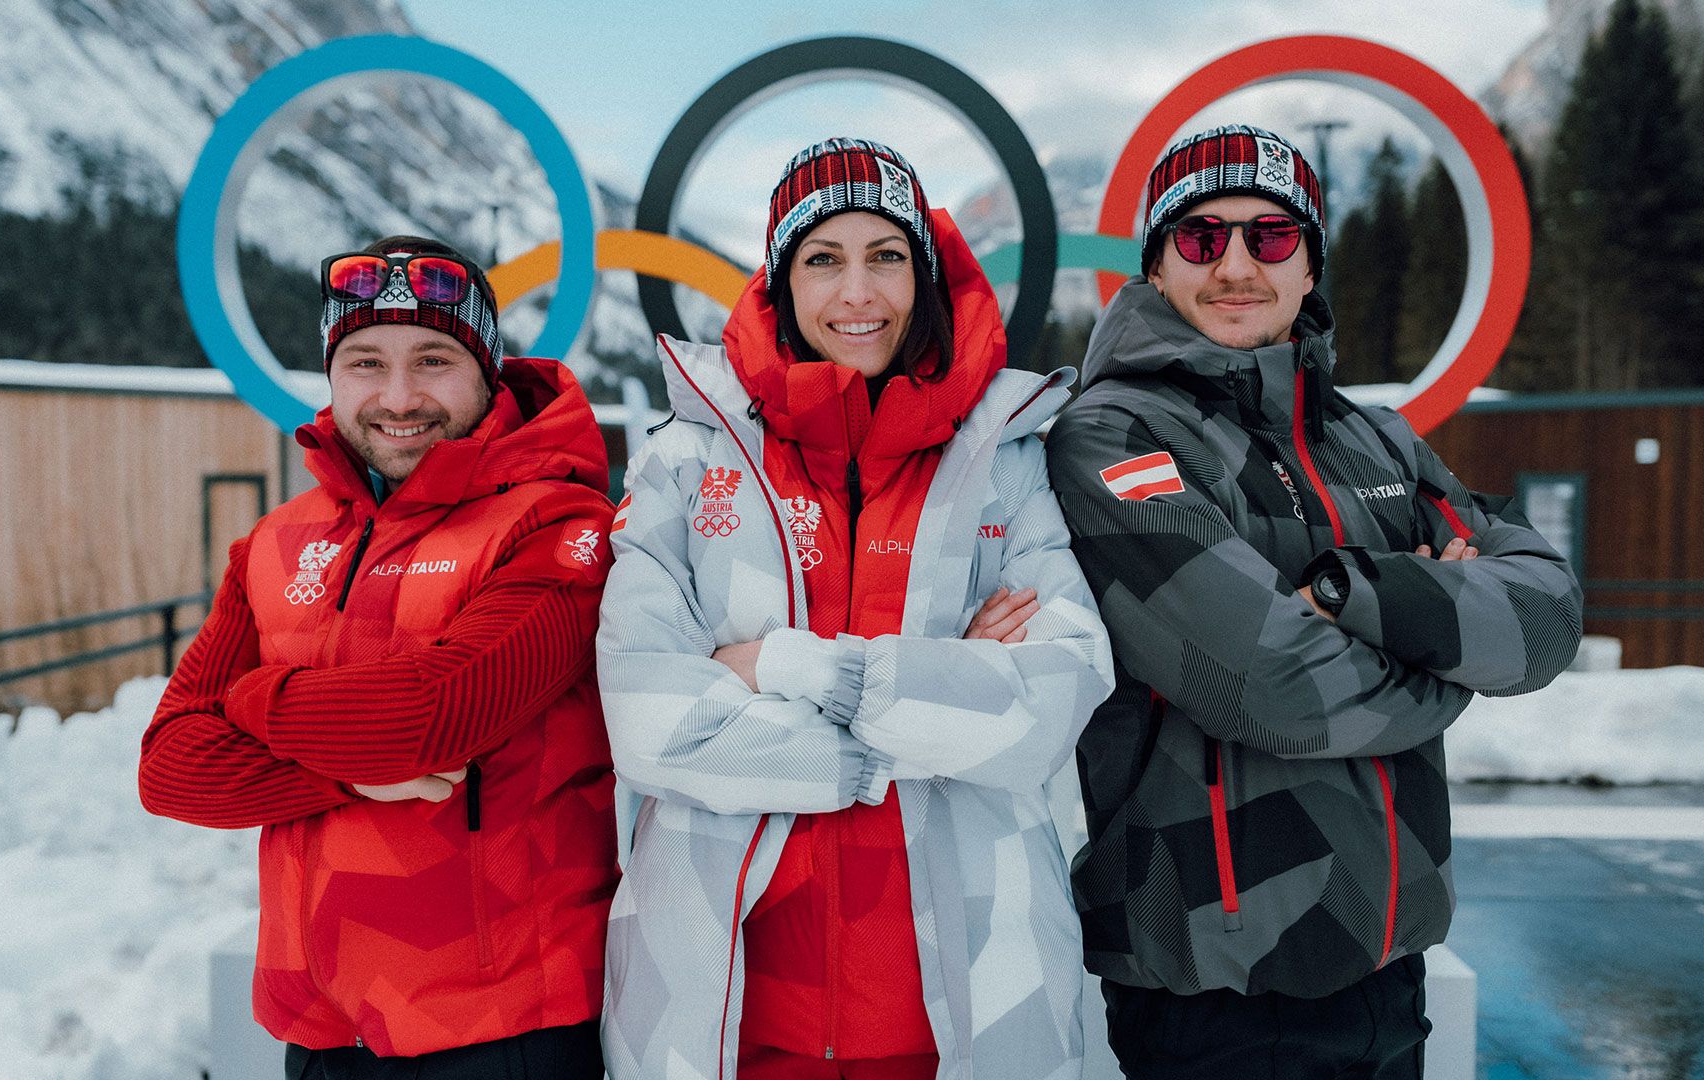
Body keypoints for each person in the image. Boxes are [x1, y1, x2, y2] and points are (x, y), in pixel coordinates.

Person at [1044, 125, 1583, 1078]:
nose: (1237, 264)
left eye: (1272, 237)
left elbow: (1547, 619)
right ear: (1158, 265)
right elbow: (1276, 686)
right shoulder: (1113, 434)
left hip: (1387, 956)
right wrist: (1449, 661)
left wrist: (1353, 591)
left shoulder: (1374, 439)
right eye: (1202, 238)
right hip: (1218, 984)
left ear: (1309, 265)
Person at [597, 138, 1114, 1080]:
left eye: (887, 257)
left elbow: (1052, 699)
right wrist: (937, 687)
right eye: (823, 259)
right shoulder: (686, 456)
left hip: (958, 1009)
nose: (858, 294)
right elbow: (643, 718)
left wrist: (778, 669)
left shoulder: (1002, 455)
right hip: (723, 1013)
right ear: (780, 280)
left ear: (924, 272)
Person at [139, 236, 618, 1079]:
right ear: (331, 375)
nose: (399, 397)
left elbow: (435, 717)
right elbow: (171, 766)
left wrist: (253, 702)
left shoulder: (558, 523)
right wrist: (348, 775)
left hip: (506, 1027)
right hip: (323, 1031)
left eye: (433, 359)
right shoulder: (277, 542)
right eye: (365, 362)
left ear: (486, 371)